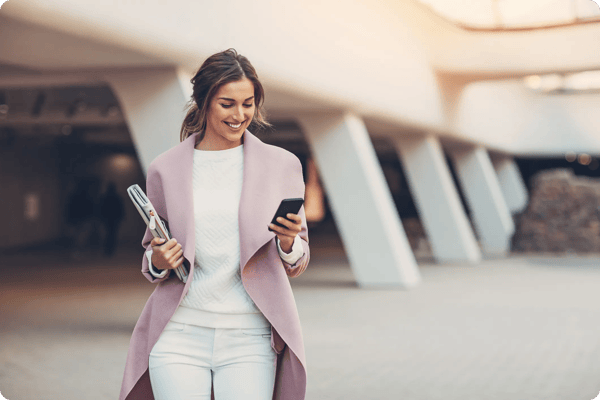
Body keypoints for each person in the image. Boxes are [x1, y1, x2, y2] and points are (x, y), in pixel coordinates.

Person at [119, 49, 310, 400]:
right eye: (227, 104)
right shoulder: (166, 168)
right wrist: (158, 261)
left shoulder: (282, 165)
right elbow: (152, 252)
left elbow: (297, 258)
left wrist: (287, 242)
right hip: (178, 333)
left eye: (248, 104)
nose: (240, 115)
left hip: (249, 336)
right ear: (204, 102)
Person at [99, 181, 125, 257]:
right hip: (113, 219)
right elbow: (120, 208)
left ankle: (108, 250)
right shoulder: (116, 197)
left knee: (109, 234)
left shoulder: (105, 197)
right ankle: (109, 250)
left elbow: (101, 208)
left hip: (108, 219)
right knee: (112, 234)